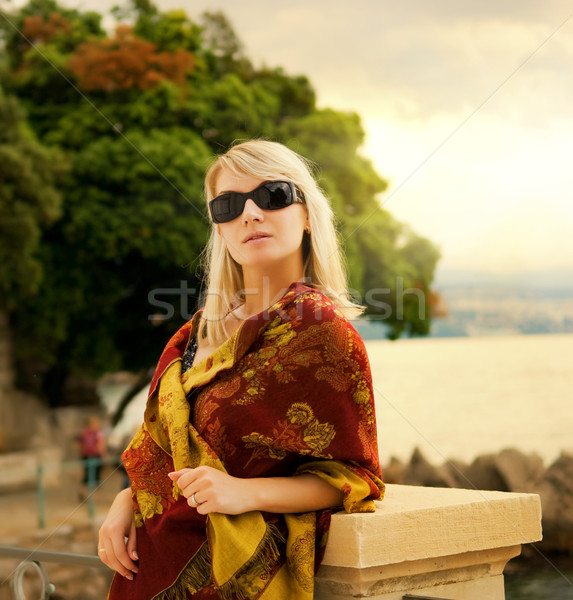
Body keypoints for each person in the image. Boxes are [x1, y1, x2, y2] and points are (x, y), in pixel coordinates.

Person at [98, 140, 384, 599]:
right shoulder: (193, 336)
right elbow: (164, 449)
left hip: (234, 582)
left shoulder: (322, 334)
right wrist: (125, 500)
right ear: (221, 230)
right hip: (149, 569)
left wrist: (246, 493)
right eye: (228, 205)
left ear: (307, 215)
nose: (250, 213)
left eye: (272, 195)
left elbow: (355, 478)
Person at [77, 415, 106, 499]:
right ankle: (96, 496)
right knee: (97, 475)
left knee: (87, 474)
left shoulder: (83, 432)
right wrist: (103, 455)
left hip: (86, 456)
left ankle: (83, 491)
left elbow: (79, 445)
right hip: (96, 455)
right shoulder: (98, 432)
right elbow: (101, 444)